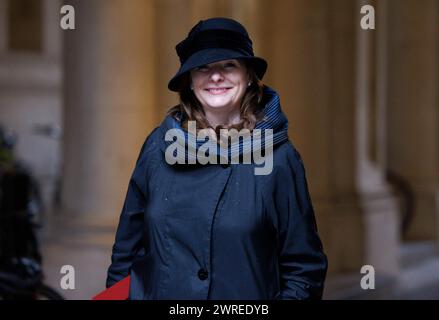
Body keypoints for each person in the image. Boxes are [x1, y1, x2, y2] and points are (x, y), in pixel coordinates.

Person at [106, 17, 328, 300]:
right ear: (189, 80)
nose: (215, 76)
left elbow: (303, 269)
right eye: (203, 67)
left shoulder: (279, 158)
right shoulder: (157, 147)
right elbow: (126, 253)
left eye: (229, 65)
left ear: (248, 76)